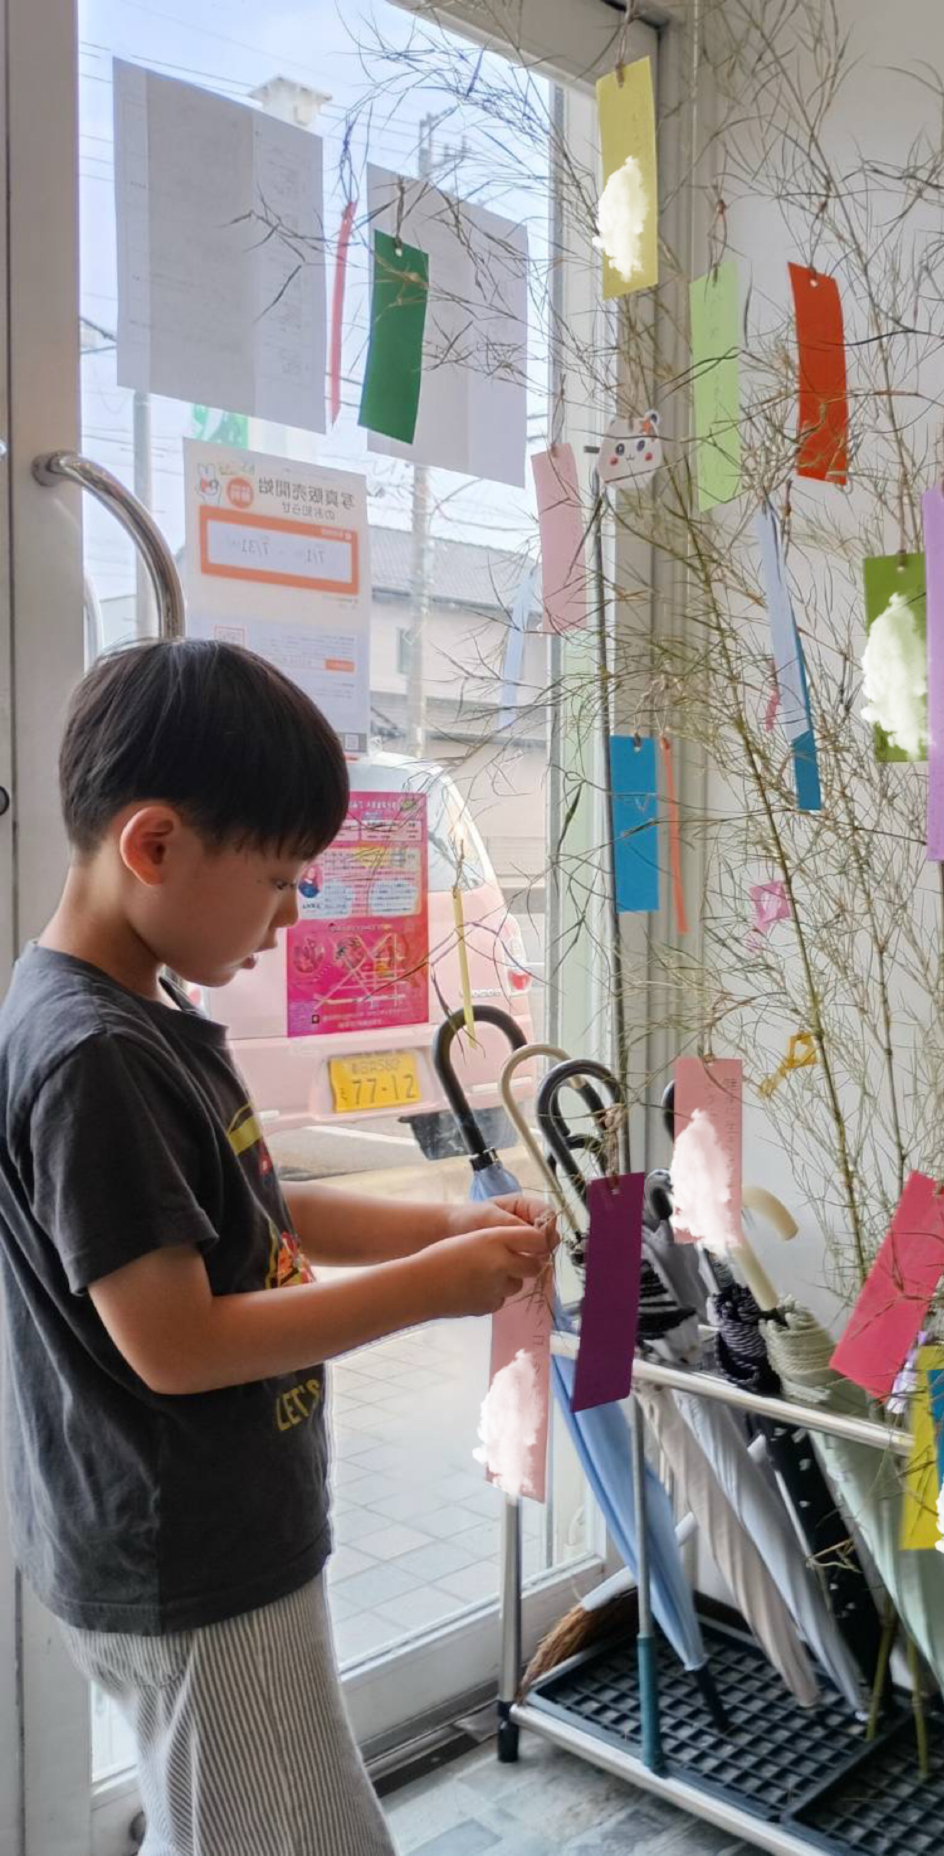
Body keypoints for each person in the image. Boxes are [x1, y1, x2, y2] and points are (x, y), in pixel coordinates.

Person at [0, 639, 559, 1855]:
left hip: (201, 1538)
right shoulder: (93, 1054)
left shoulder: (141, 1006)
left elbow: (256, 1204)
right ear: (154, 846)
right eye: (277, 878)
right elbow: (179, 1344)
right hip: (189, 1557)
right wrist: (427, 1289)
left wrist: (442, 1225)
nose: (295, 912)